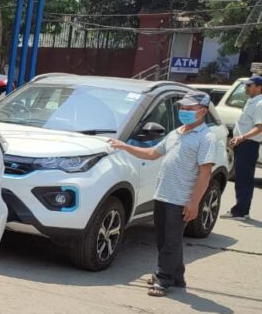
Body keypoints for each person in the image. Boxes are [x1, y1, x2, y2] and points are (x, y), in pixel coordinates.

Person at [107, 91, 216, 297]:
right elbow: (152, 154)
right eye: (182, 107)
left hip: (180, 199)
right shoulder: (176, 133)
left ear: (202, 111)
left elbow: (205, 173)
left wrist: (194, 203)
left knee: (170, 241)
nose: (183, 111)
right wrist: (124, 146)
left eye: (189, 109)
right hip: (162, 195)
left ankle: (163, 278)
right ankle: (177, 277)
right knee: (165, 239)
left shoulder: (206, 138)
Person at [221, 75, 262, 221]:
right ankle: (241, 209)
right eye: (246, 85)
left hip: (248, 145)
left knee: (244, 179)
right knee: (241, 178)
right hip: (243, 144)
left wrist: (242, 137)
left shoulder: (260, 103)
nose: (246, 88)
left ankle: (241, 212)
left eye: (250, 86)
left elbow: (259, 127)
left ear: (259, 88)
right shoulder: (252, 101)